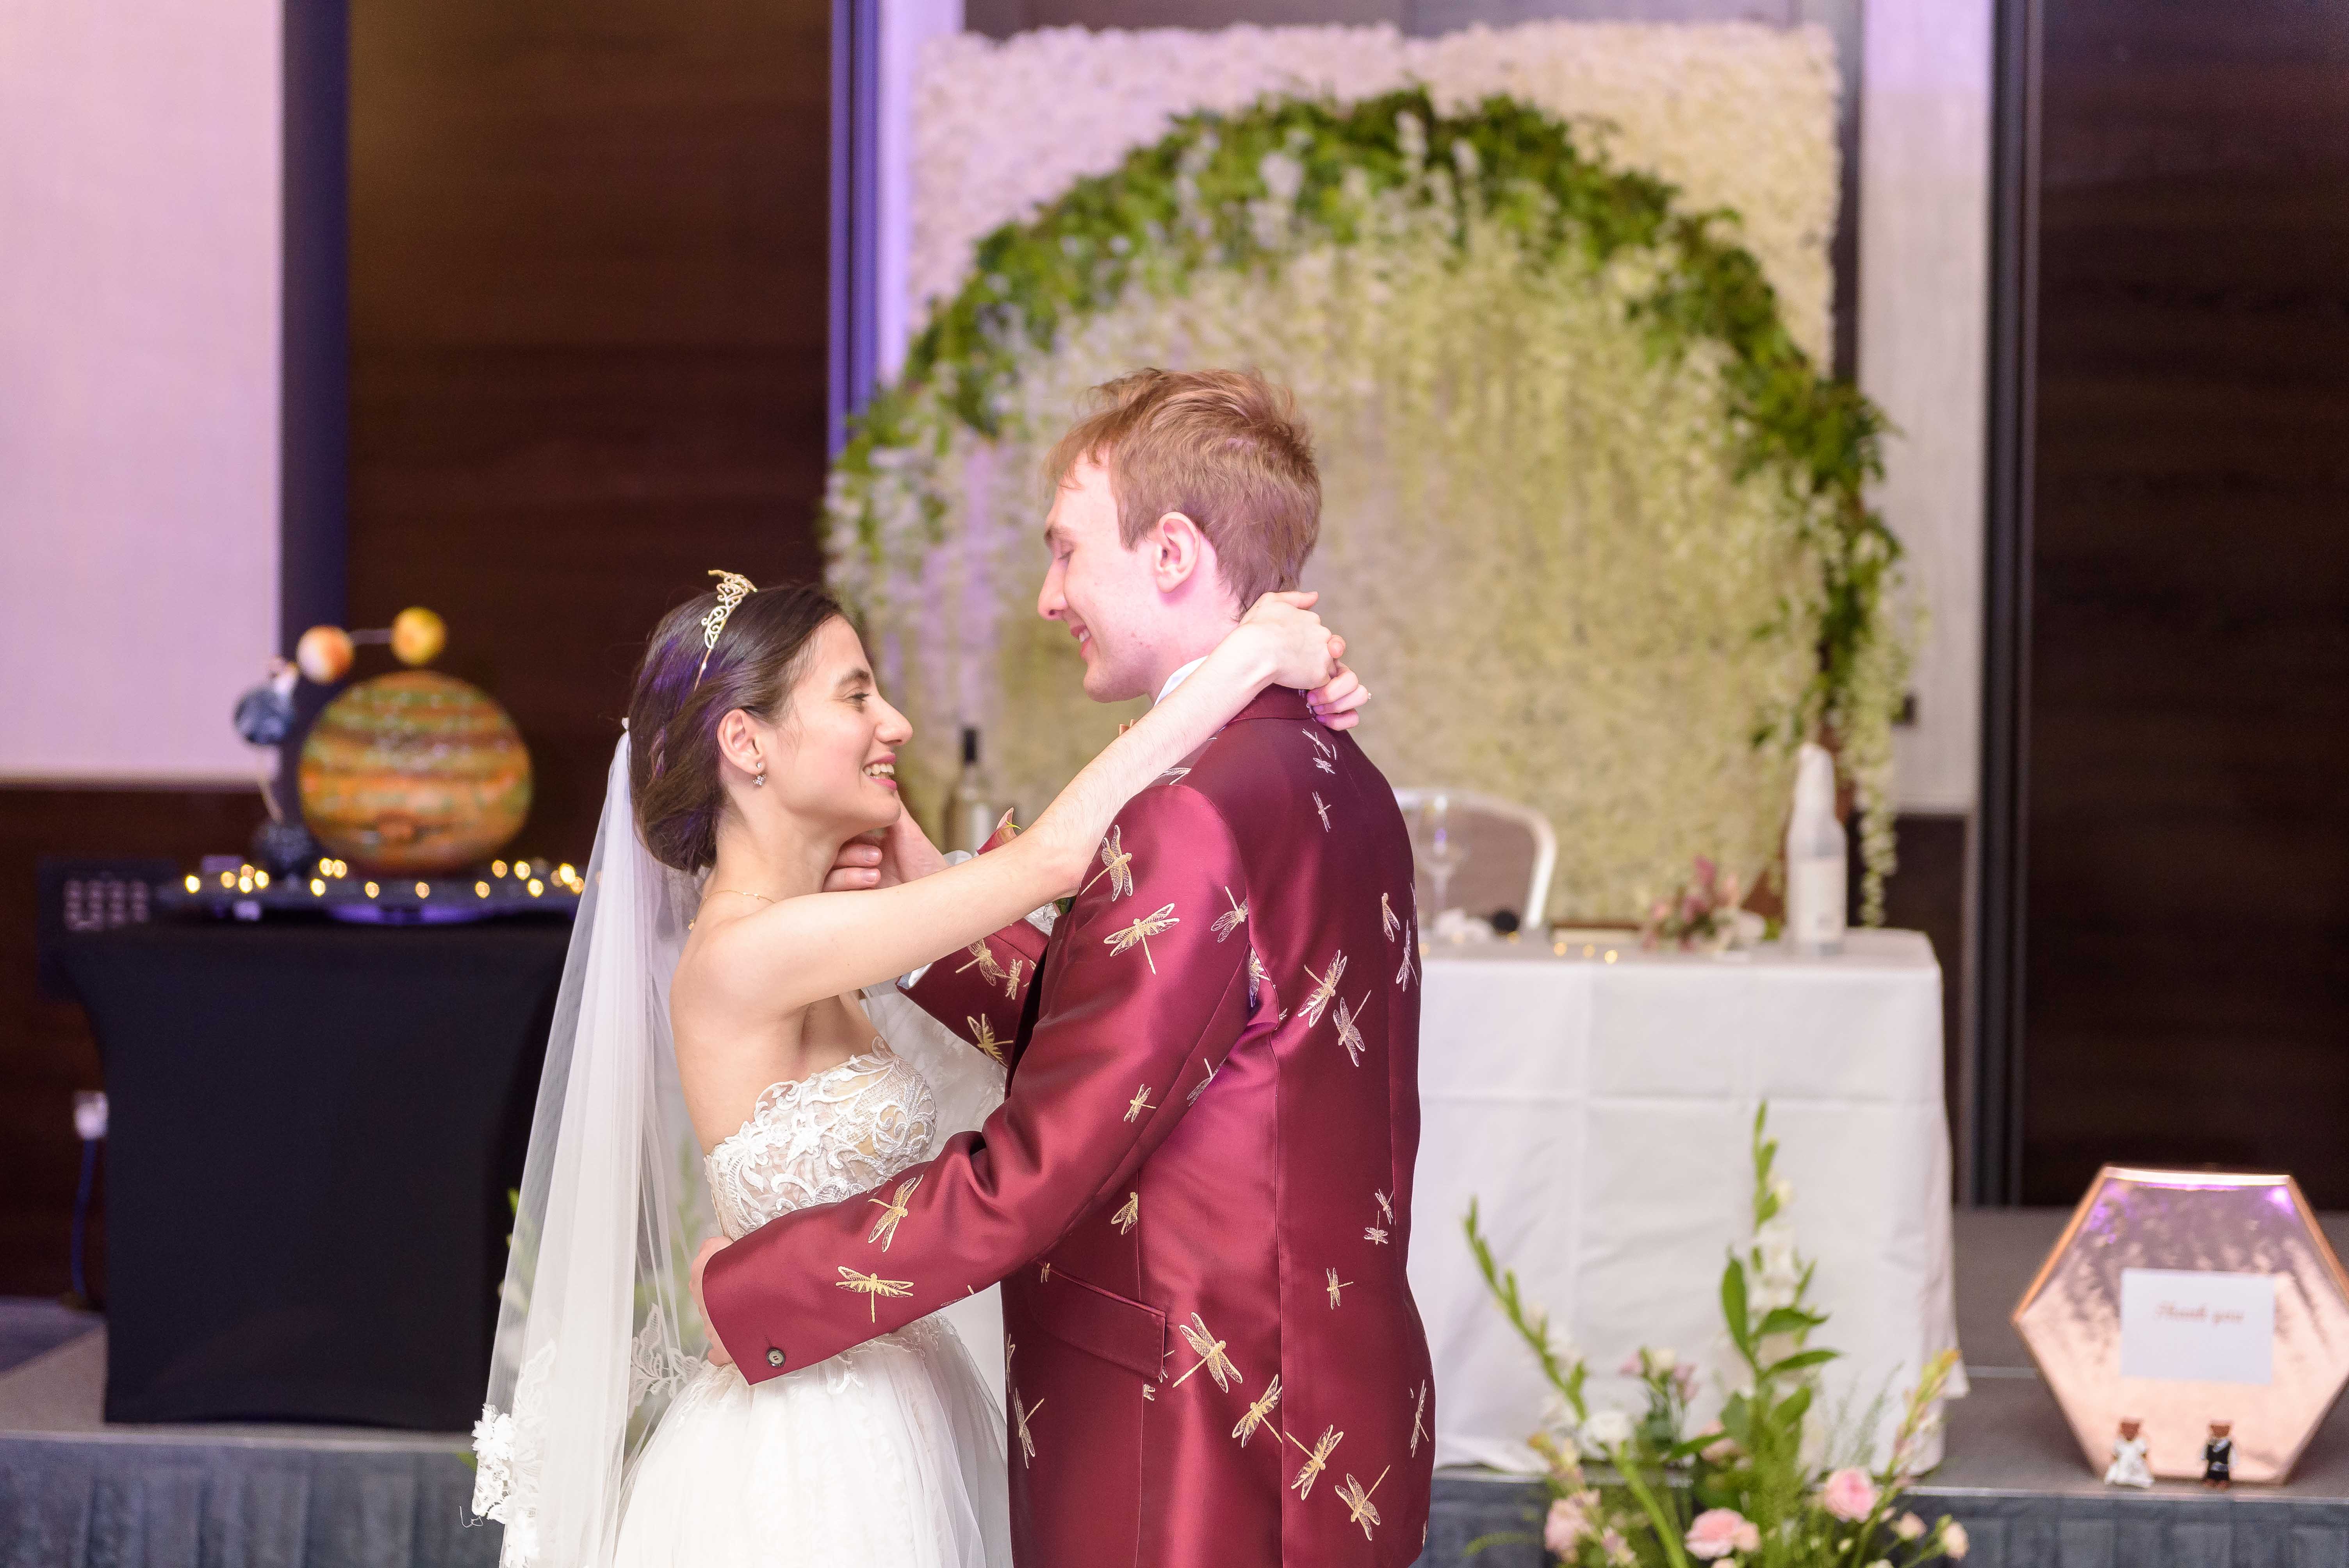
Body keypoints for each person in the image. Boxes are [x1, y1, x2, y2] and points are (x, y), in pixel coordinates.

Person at [469, 567, 1362, 1568]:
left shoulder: (823, 930)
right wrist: (1244, 662)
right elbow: (1055, 859)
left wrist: (902, 857)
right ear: (746, 742)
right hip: (803, 1450)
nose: (893, 722)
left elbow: (1037, 1029)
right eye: (855, 695)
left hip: (905, 1401)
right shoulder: (747, 952)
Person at [696, 368, 1438, 1566]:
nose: (1048, 599)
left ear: (1176, 553)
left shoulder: (1189, 810)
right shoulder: (1342, 774)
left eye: (1066, 551)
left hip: (1195, 1441)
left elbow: (1037, 1169)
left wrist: (759, 1287)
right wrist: (925, 903)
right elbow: (1156, 1040)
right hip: (1333, 1413)